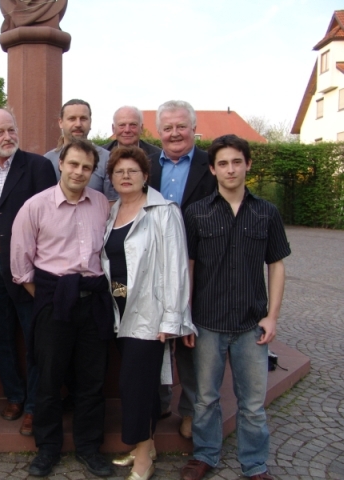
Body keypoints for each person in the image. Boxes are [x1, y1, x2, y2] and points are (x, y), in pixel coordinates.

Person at [180, 135, 290, 480]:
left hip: (250, 325)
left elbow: (277, 265)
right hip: (207, 322)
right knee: (205, 399)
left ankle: (255, 464)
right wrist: (186, 317)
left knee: (253, 404)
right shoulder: (196, 213)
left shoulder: (266, 212)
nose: (230, 169)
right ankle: (205, 455)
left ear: (248, 165)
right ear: (213, 169)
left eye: (237, 162)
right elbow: (189, 266)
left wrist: (272, 317)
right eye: (223, 163)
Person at [11, 138, 113, 478]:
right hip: (53, 301)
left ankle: (89, 447)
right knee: (49, 379)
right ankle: (48, 448)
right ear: (61, 164)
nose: (79, 172)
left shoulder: (102, 204)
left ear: (93, 171)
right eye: (73, 164)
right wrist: (47, 297)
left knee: (92, 381)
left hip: (93, 303)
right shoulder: (35, 207)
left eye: (86, 167)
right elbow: (20, 265)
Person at [101, 146, 197, 480]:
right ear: (112, 179)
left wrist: (172, 318)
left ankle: (143, 459)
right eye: (119, 172)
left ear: (145, 176)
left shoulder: (164, 211)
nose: (125, 176)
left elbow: (176, 267)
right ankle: (149, 445)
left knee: (135, 386)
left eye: (132, 171)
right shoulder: (112, 211)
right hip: (120, 311)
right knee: (143, 383)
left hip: (150, 314)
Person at [0, 108, 57, 436]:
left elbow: (50, 219)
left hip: (26, 266)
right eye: (0, 132)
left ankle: (34, 406)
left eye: (11, 129)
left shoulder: (38, 167)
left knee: (34, 336)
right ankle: (15, 395)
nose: (8, 137)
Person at [148, 100, 216, 436]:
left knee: (191, 339)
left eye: (181, 127)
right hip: (154, 266)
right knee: (155, 338)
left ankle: (189, 409)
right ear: (158, 131)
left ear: (193, 128)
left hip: (199, 265)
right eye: (168, 128)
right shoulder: (146, 165)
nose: (175, 133)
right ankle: (160, 402)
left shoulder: (211, 164)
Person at [45, 98, 117, 201]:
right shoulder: (47, 160)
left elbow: (111, 203)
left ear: (90, 122)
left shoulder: (108, 159)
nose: (78, 124)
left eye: (83, 119)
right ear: (60, 122)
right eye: (72, 119)